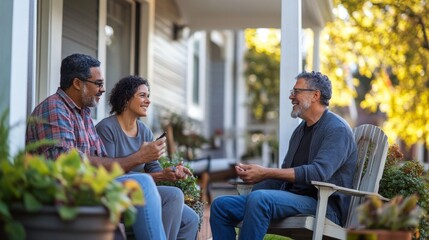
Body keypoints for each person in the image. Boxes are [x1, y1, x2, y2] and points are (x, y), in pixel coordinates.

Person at [25, 53, 168, 240]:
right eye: (98, 83)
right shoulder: (54, 109)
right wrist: (139, 158)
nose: (103, 89)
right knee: (142, 183)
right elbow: (65, 163)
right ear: (77, 83)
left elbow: (102, 159)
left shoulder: (83, 114)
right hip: (65, 192)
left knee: (172, 196)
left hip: (91, 184)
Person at [210, 71, 358, 240]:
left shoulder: (336, 130)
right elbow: (286, 173)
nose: (291, 97)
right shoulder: (301, 130)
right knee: (221, 206)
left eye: (296, 92)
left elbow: (319, 173)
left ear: (316, 95)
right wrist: (255, 177)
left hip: (323, 205)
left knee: (260, 200)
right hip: (292, 200)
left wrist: (265, 172)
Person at [96, 75, 199, 240]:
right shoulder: (107, 128)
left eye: (148, 95)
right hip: (117, 191)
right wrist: (159, 175)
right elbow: (110, 174)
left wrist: (171, 172)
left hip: (144, 191)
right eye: (142, 95)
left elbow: (154, 167)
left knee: (191, 219)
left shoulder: (145, 131)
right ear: (126, 99)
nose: (148, 101)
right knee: (174, 195)